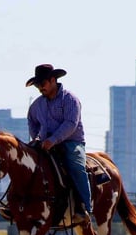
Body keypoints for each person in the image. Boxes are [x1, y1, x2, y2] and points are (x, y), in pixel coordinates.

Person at [27, 64, 92, 225]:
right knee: (26, 164)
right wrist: (37, 138)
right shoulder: (36, 105)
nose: (40, 88)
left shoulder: (69, 99)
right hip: (45, 143)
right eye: (37, 85)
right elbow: (32, 121)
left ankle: (83, 208)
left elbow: (71, 124)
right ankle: (21, 204)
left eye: (42, 83)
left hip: (71, 142)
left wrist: (53, 140)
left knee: (76, 166)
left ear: (53, 80)